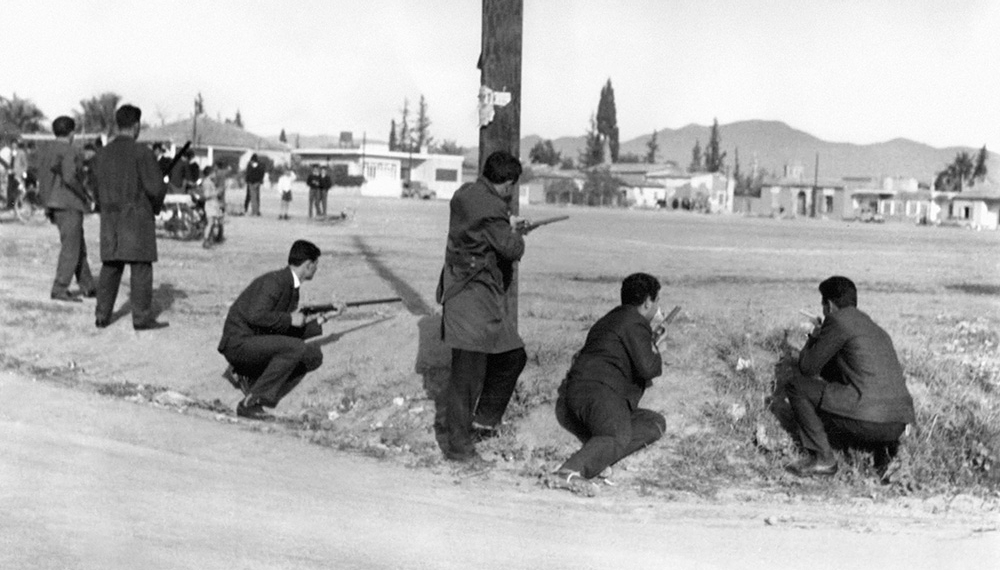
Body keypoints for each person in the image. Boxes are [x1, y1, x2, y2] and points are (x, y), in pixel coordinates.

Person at [435, 150, 529, 463]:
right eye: (511, 186)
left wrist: (507, 224)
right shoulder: (493, 207)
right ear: (506, 182)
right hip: (471, 295)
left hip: (466, 291)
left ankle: (483, 420)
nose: (510, 192)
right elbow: (511, 248)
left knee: (512, 355)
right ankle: (459, 448)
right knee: (466, 376)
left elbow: (484, 232)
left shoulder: (465, 193)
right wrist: (516, 232)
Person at [785, 276, 916, 477]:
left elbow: (807, 368)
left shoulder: (837, 321)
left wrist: (814, 336)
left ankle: (823, 459)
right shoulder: (875, 328)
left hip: (869, 422)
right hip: (897, 423)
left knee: (797, 387)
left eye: (823, 304)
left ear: (828, 305)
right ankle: (885, 458)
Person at [551, 273, 668, 489]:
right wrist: (656, 350)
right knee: (615, 434)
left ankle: (597, 460)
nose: (658, 307)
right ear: (647, 302)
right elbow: (647, 367)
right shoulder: (635, 322)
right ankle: (570, 471)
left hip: (588, 394)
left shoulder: (610, 319)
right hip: (600, 392)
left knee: (653, 424)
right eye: (657, 300)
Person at [217, 239, 343, 420]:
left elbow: (282, 330)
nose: (316, 269)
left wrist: (324, 318)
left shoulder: (290, 286)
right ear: (308, 265)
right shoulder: (275, 282)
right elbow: (255, 316)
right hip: (238, 343)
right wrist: (290, 318)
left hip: (254, 342)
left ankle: (250, 378)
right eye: (316, 265)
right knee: (296, 348)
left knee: (312, 356)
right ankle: (250, 402)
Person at [92, 104, 169, 331]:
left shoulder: (102, 154)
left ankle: (102, 316)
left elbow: (96, 189)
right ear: (136, 126)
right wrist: (155, 207)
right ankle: (141, 318)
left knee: (111, 266)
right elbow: (155, 189)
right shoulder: (142, 152)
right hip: (136, 217)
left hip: (110, 218)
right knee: (141, 267)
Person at [36, 116, 96, 302]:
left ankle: (88, 285)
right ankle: (60, 287)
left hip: (52, 203)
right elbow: (70, 177)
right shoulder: (71, 150)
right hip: (68, 203)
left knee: (77, 244)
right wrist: (85, 195)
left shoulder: (45, 150)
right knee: (72, 247)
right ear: (72, 132)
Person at [200, 164, 224, 248]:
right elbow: (206, 195)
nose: (215, 174)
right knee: (210, 223)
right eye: (213, 173)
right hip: (210, 205)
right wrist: (217, 192)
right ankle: (206, 240)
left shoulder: (209, 182)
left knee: (212, 223)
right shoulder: (207, 183)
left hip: (213, 205)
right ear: (210, 173)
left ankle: (209, 239)